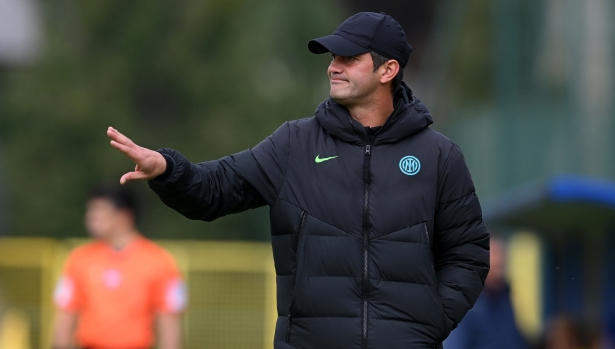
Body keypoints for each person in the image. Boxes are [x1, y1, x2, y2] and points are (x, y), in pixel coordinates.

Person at [107, 12, 489, 349]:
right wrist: (169, 170)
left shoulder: (439, 156)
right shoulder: (294, 143)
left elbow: (469, 254)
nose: (333, 67)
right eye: (333, 57)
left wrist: (428, 324)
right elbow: (215, 190)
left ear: (387, 70)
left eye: (349, 58)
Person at [52, 184, 186, 349]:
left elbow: (169, 325)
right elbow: (65, 318)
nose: (91, 216)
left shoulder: (160, 262)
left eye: (100, 209)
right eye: (91, 210)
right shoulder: (78, 259)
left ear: (124, 216)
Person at [443, 237, 526, 349]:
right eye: (495, 254)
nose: (500, 260)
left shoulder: (504, 298)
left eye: (503, 253)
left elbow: (514, 340)